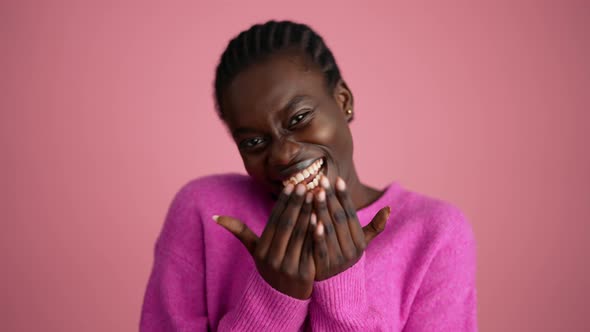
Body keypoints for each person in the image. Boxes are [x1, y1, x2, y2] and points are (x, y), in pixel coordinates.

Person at [140, 20, 477, 331]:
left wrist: (341, 297)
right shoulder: (203, 211)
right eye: (254, 141)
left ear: (343, 101)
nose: (283, 154)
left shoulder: (434, 234)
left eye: (299, 118)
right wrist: (272, 299)